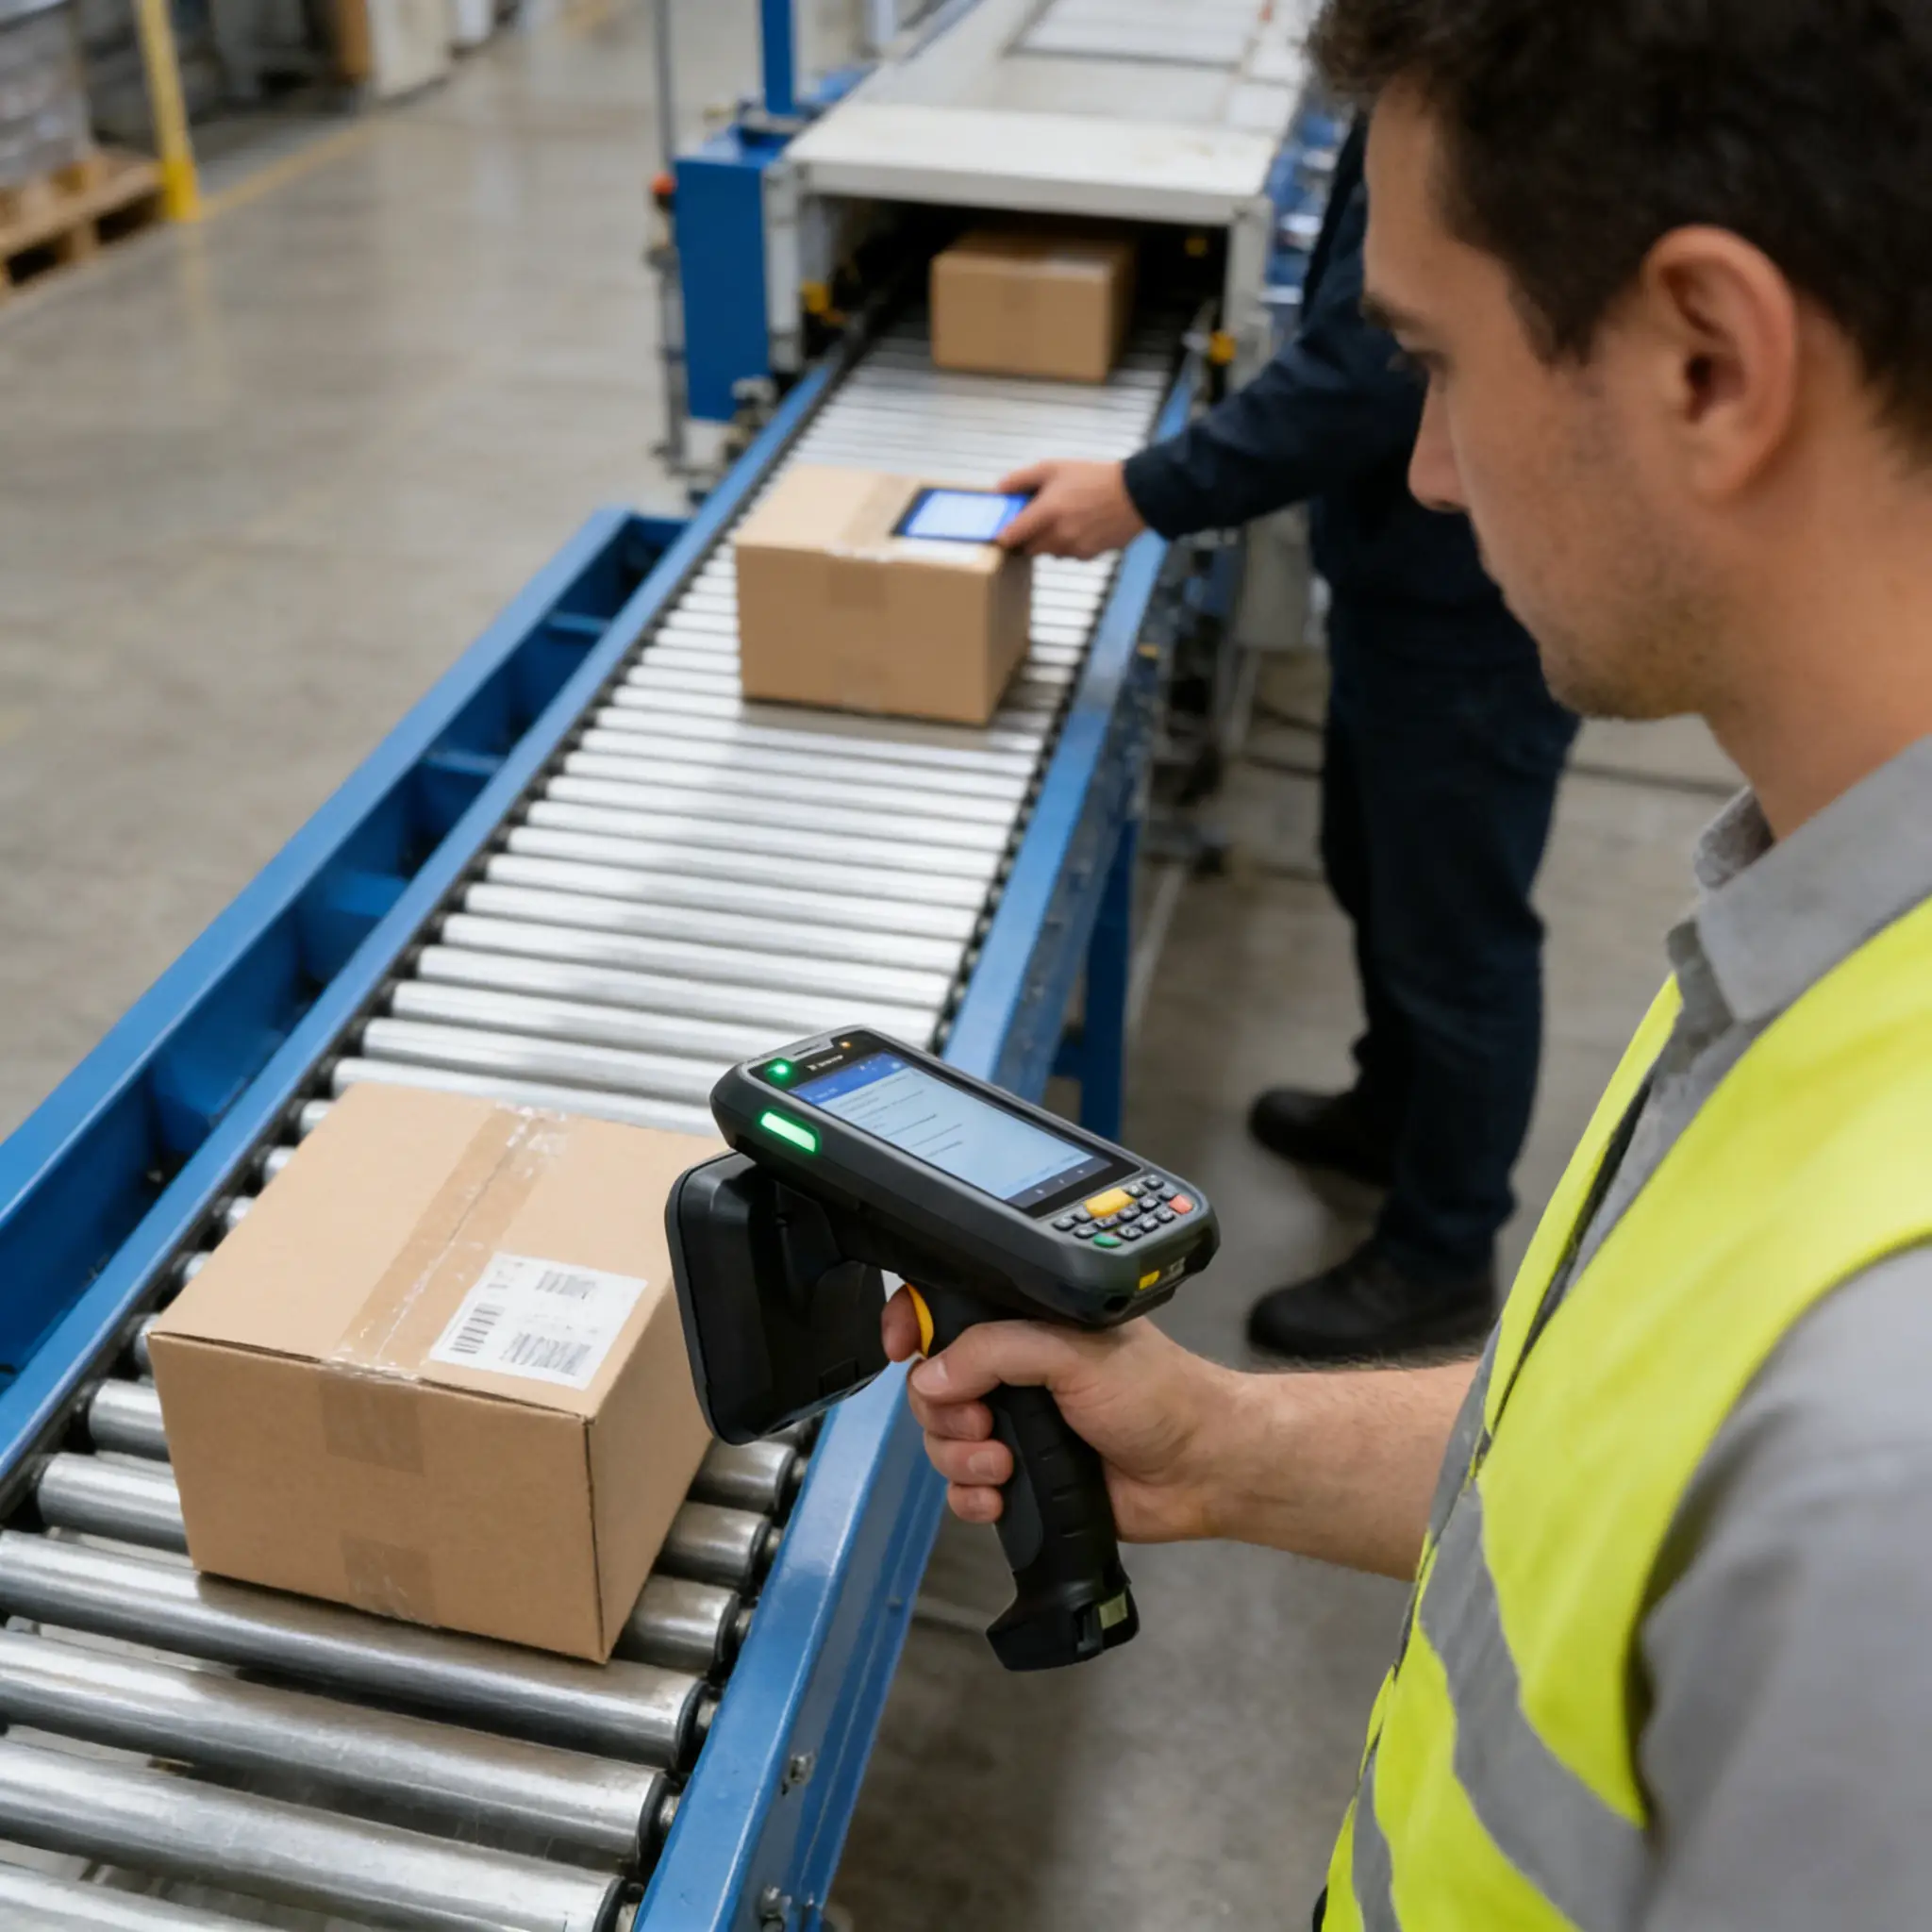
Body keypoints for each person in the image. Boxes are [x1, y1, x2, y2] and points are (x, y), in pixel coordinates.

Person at [891, 0, 1932, 1924]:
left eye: (1435, 364)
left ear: (1708, 362)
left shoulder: (1888, 1468)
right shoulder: (1822, 932)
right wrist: (1225, 1445)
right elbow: (1644, 1472)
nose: (1431, 472)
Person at [995, 121, 1577, 1365]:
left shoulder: (1496, 67)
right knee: (1376, 867)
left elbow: (1364, 373)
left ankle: (1443, 1248)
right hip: (1398, 582)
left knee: (1456, 931)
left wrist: (1142, 493)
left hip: (1475, 603)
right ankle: (1390, 1111)